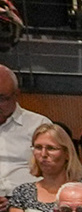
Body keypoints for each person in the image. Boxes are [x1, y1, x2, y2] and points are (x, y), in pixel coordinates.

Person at [0, 64, 52, 192]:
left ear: (16, 95)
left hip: (28, 198)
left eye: (1, 99)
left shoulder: (39, 125)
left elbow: (56, 171)